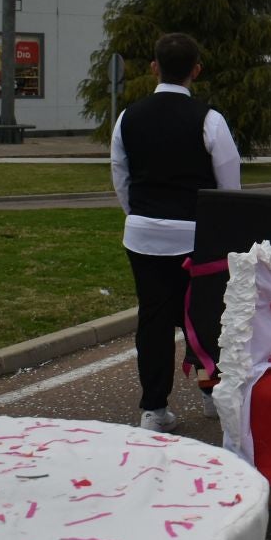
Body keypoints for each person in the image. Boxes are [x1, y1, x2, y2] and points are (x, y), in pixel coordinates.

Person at [111, 32, 243, 432]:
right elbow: (229, 183)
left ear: (154, 67)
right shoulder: (209, 119)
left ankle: (153, 409)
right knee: (204, 316)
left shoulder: (127, 116)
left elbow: (121, 175)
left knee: (152, 319)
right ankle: (211, 395)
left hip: (144, 232)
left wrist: (137, 213)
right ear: (196, 70)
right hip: (195, 234)